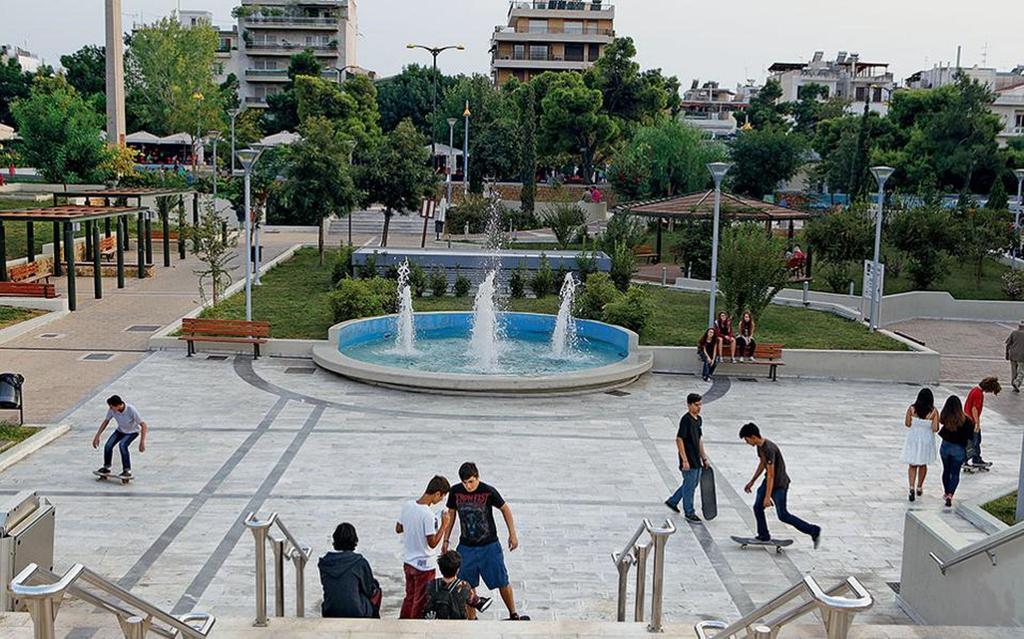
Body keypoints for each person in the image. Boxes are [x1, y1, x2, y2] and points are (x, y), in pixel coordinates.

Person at [441, 462, 529, 621]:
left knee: (502, 580)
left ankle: (513, 614)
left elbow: (505, 509)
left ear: (477, 477)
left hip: (489, 545)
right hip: (466, 546)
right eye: (465, 482)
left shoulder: (487, 491)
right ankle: (472, 618)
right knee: (467, 585)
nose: (468, 486)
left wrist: (512, 534)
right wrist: (446, 540)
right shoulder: (455, 491)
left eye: (471, 481)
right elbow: (451, 515)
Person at [740, 423, 822, 548]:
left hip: (779, 485)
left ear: (753, 437)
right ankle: (763, 535)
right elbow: (762, 464)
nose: (746, 442)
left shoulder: (769, 448)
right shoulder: (759, 446)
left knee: (783, 515)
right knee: (757, 507)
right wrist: (752, 481)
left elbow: (771, 475)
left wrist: (767, 497)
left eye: (746, 439)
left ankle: (813, 530)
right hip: (768, 481)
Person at [396, 475, 451, 619]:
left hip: (408, 561)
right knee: (420, 601)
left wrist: (412, 526)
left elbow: (398, 528)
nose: (440, 500)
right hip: (424, 566)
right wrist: (444, 526)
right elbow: (432, 543)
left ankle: (403, 622)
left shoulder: (408, 505)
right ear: (437, 493)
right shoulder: (428, 515)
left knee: (409, 596)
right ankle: (414, 628)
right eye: (442, 497)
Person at [319, 522, 382, 618]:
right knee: (376, 587)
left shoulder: (325, 563)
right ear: (354, 540)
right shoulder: (359, 562)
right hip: (356, 612)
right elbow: (369, 590)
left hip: (330, 610)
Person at [664, 393, 709, 522]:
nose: (699, 407)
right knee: (690, 485)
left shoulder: (698, 419)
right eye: (696, 405)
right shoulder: (686, 420)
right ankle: (689, 512)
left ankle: (673, 501)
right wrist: (684, 460)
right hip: (688, 459)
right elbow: (679, 439)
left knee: (692, 483)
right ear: (689, 405)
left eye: (700, 405)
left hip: (696, 459)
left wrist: (704, 458)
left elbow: (699, 439)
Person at [423, 551, 492, 620]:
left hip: (437, 623)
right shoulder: (463, 586)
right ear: (457, 570)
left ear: (440, 569)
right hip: (458, 623)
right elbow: (475, 602)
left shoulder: (432, 584)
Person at [92, 395, 148, 479]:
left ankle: (127, 470)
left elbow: (143, 425)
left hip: (132, 432)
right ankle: (106, 467)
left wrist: (142, 442)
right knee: (108, 445)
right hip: (120, 431)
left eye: (112, 407)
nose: (111, 409)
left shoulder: (131, 410)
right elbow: (106, 421)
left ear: (118, 405)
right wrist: (97, 435)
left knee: (122, 445)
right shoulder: (112, 410)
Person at [938, 396, 977, 508]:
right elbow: (970, 437)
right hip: (959, 449)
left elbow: (941, 423)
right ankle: (950, 494)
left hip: (945, 447)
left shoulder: (946, 417)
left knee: (946, 470)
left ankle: (946, 492)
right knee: (955, 473)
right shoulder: (967, 421)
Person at [902, 388, 939, 501]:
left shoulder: (912, 409)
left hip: (913, 438)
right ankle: (919, 487)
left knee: (912, 464)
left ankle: (911, 487)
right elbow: (935, 429)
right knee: (923, 464)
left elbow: (907, 424)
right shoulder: (933, 411)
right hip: (926, 440)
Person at [964, 377, 1000, 468]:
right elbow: (974, 409)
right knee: (973, 442)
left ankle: (976, 459)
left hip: (967, 420)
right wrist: (977, 423)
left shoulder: (974, 390)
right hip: (971, 421)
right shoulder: (978, 394)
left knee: (975, 441)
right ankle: (966, 460)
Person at [1006, 321, 1024, 392]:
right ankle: (1017, 382)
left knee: (1014, 371)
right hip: (1022, 356)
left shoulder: (1014, 333)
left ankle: (1014, 385)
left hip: (1012, 354)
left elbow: (1008, 344)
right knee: (1021, 371)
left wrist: (1007, 354)